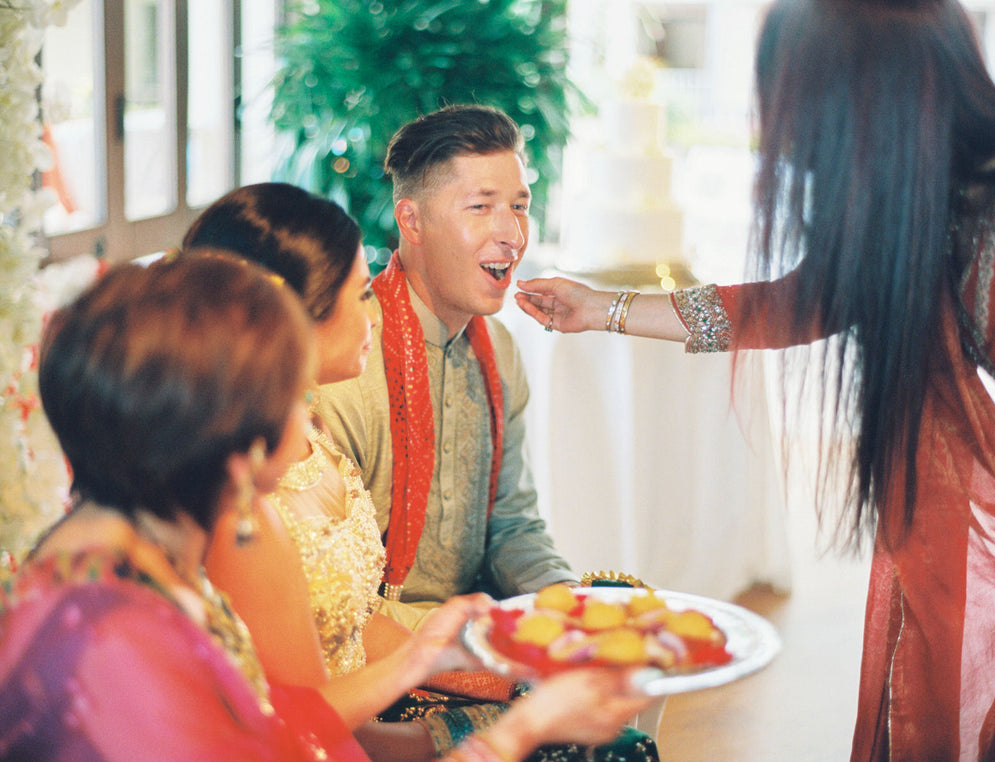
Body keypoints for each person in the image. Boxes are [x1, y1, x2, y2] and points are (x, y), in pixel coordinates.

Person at [516, 0, 995, 759]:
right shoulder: (930, 197)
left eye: (794, 101)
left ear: (859, 101)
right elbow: (799, 303)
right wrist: (600, 308)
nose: (784, 135)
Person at [0, 255, 652, 761]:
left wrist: (421, 656)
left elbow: (266, 724)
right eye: (293, 398)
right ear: (239, 453)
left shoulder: (118, 543)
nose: (310, 416)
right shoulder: (119, 642)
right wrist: (522, 729)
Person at [185, 183, 658, 762]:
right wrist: (490, 725)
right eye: (361, 295)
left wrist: (543, 629)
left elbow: (356, 623)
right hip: (342, 735)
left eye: (520, 204)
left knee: (618, 629)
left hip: (376, 702)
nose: (374, 311)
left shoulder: (310, 431)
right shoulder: (249, 505)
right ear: (287, 321)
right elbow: (301, 731)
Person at [317, 104, 577, 630]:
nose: (512, 234)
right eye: (480, 208)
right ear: (411, 220)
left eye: (519, 207)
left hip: (470, 627)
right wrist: (479, 636)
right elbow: (328, 595)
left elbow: (512, 525)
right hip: (376, 649)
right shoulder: (345, 362)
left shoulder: (499, 349)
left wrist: (568, 600)